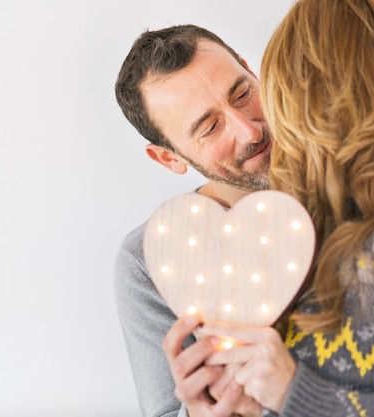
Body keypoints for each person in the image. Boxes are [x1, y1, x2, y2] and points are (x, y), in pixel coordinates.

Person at [193, 0, 374, 416]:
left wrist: (295, 395)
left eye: (248, 92)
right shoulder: (327, 232)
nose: (257, 128)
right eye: (208, 126)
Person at [114, 24, 273, 417]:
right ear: (169, 158)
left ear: (253, 72)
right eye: (209, 127)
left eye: (243, 93)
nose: (249, 129)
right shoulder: (150, 258)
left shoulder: (357, 180)